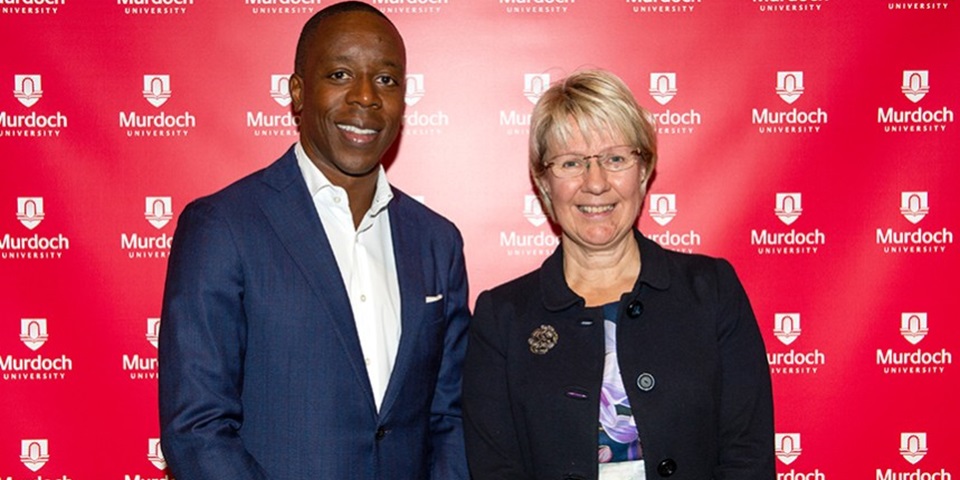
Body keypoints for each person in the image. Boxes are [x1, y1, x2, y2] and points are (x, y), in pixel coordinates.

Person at [158, 3, 469, 478]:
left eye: (386, 80)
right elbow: (199, 428)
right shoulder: (223, 226)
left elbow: (448, 420)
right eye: (341, 74)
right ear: (298, 92)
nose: (365, 98)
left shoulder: (437, 241)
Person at [462, 69, 774, 480]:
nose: (595, 183)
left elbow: (747, 459)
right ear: (542, 182)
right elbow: (495, 469)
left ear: (643, 172)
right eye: (571, 162)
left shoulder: (711, 290)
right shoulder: (502, 317)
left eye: (615, 159)